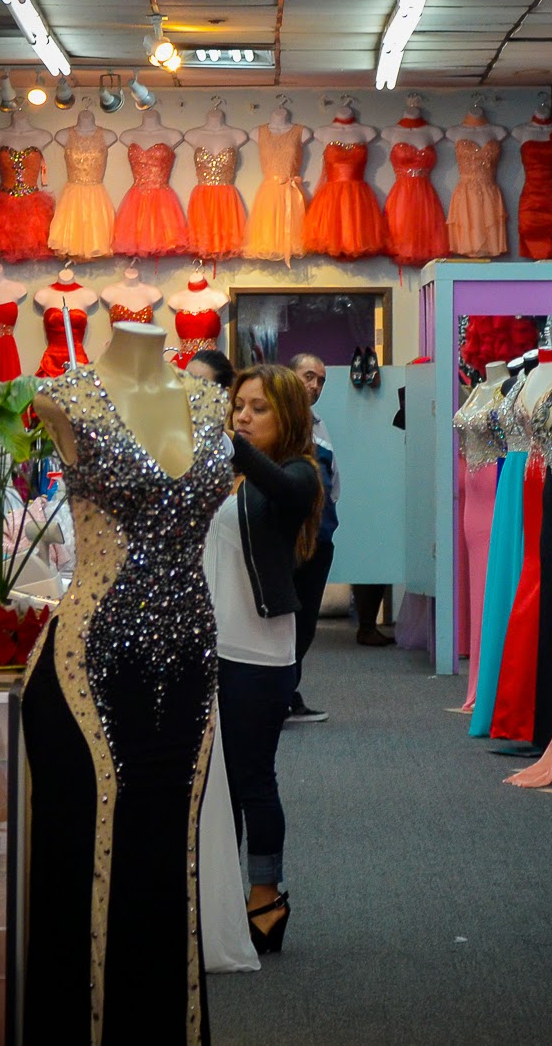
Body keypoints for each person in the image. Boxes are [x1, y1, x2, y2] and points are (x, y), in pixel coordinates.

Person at [206, 363, 323, 954]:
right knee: (214, 783)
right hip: (210, 646)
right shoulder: (222, 473)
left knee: (252, 778)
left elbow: (284, 489)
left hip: (258, 653)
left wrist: (226, 441)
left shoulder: (301, 473)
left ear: (288, 416)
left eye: (259, 408)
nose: (244, 416)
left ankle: (265, 897)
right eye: (239, 406)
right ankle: (221, 899)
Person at [286, 354, 339, 721]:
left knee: (304, 626)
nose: (315, 386)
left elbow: (334, 485)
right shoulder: (275, 423)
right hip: (286, 541)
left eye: (320, 380)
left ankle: (289, 694)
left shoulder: (320, 425)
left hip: (320, 540)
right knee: (281, 622)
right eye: (308, 376)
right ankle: (278, 697)